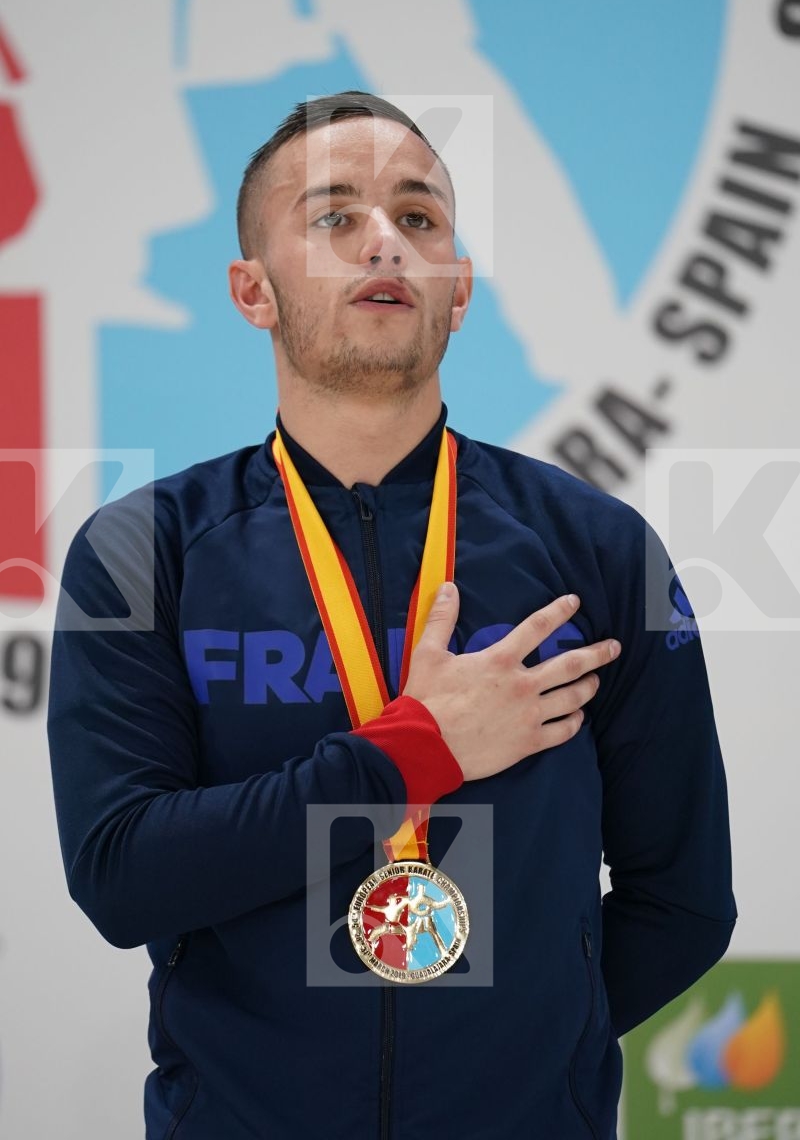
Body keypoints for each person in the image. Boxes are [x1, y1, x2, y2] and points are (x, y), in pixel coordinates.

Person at [46, 91, 736, 1139]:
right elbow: (122, 875)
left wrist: (530, 1058)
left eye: (419, 219)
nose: (385, 241)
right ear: (252, 290)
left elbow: (682, 900)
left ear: (456, 291)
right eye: (333, 218)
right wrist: (413, 751)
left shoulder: (597, 549)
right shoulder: (144, 550)